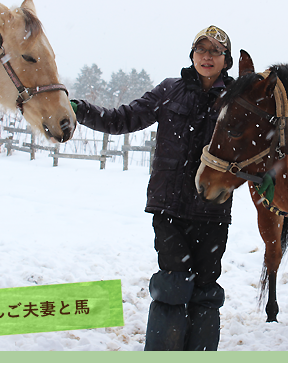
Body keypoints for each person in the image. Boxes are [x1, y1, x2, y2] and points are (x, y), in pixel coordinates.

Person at [71, 26, 235, 351]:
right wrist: (82, 110)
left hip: (213, 210)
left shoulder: (236, 101)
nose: (207, 56)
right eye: (201, 49)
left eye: (215, 51)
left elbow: (262, 144)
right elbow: (125, 118)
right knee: (173, 286)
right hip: (169, 208)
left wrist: (272, 174)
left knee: (205, 293)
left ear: (226, 60)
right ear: (192, 55)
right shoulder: (170, 91)